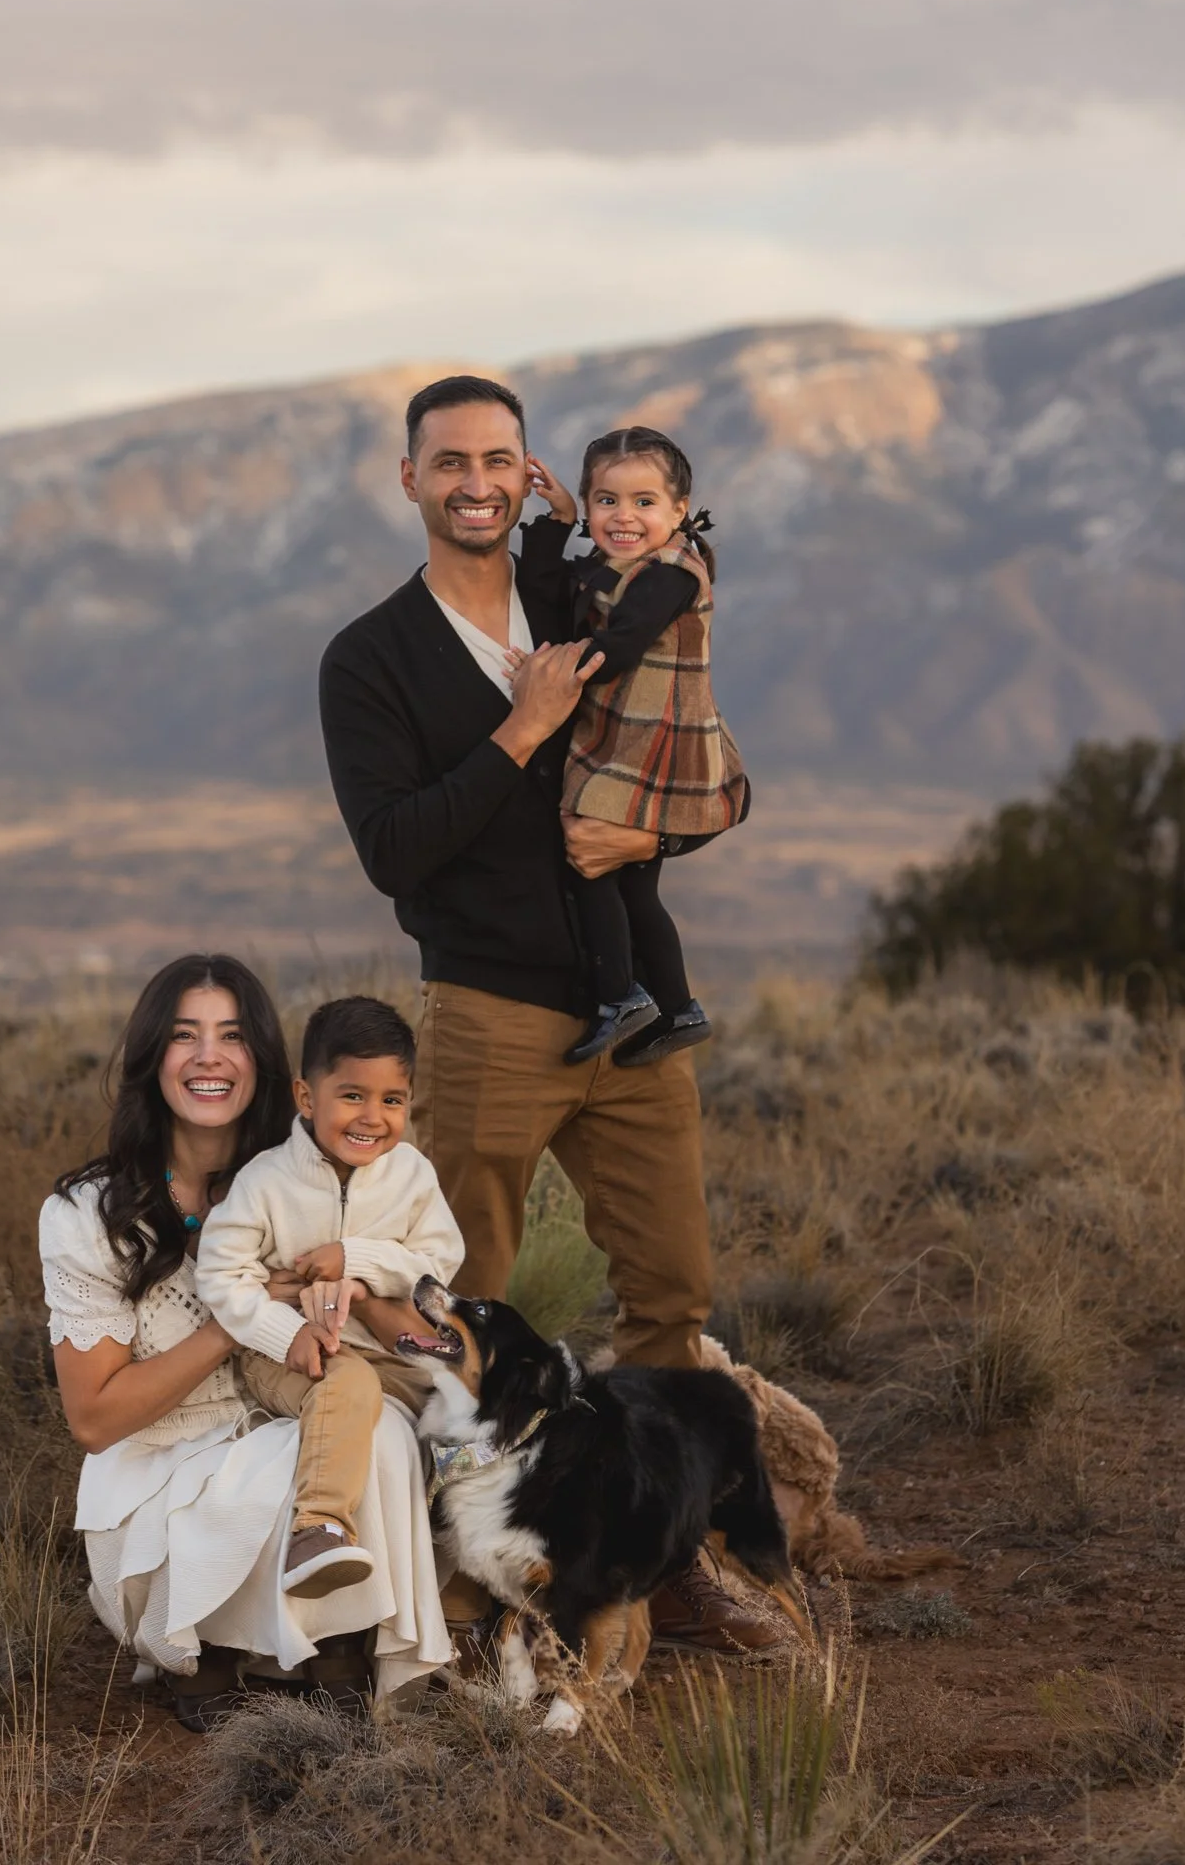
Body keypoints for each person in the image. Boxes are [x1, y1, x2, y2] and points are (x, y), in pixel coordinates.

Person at [319, 375, 776, 1654]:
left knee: (671, 1296)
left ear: (530, 478)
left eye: (499, 459)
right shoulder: (372, 658)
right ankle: (453, 1579)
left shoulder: (595, 593)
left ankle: (666, 1555)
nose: (475, 478)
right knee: (455, 1299)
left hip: (631, 1024)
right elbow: (396, 850)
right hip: (491, 1015)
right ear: (409, 477)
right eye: (448, 458)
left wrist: (658, 822)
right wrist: (522, 730)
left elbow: (723, 776)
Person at [39, 954, 449, 1729]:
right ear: (150, 1056)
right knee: (258, 1475)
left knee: (378, 1425)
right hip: (163, 1458)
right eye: (183, 1035)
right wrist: (246, 1314)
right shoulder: (86, 1213)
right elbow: (94, 1421)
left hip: (291, 1415)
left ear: (264, 1062)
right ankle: (205, 1652)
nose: (207, 1056)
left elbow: (418, 1319)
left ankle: (337, 1637)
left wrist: (361, 1284)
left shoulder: (313, 1179)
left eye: (231, 1035)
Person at [195, 995, 463, 1600]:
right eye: (352, 1096)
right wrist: (283, 1334)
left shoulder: (413, 1175)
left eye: (392, 1100)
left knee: (467, 1396)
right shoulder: (265, 1181)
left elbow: (437, 1266)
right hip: (289, 1359)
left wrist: (357, 1260)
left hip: (390, 1350)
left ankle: (454, 1526)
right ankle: (318, 1528)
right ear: (307, 1097)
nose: (373, 1117)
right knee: (349, 1386)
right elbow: (219, 1275)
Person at [514, 426, 748, 1066]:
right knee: (636, 889)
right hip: (626, 739)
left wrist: (554, 670)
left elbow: (621, 645)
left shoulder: (671, 574)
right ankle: (677, 1008)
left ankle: (620, 996)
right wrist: (556, 521)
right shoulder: (606, 569)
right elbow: (542, 592)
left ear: (679, 511)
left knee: (589, 861)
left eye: (645, 502)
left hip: (653, 745)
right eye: (606, 501)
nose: (625, 517)